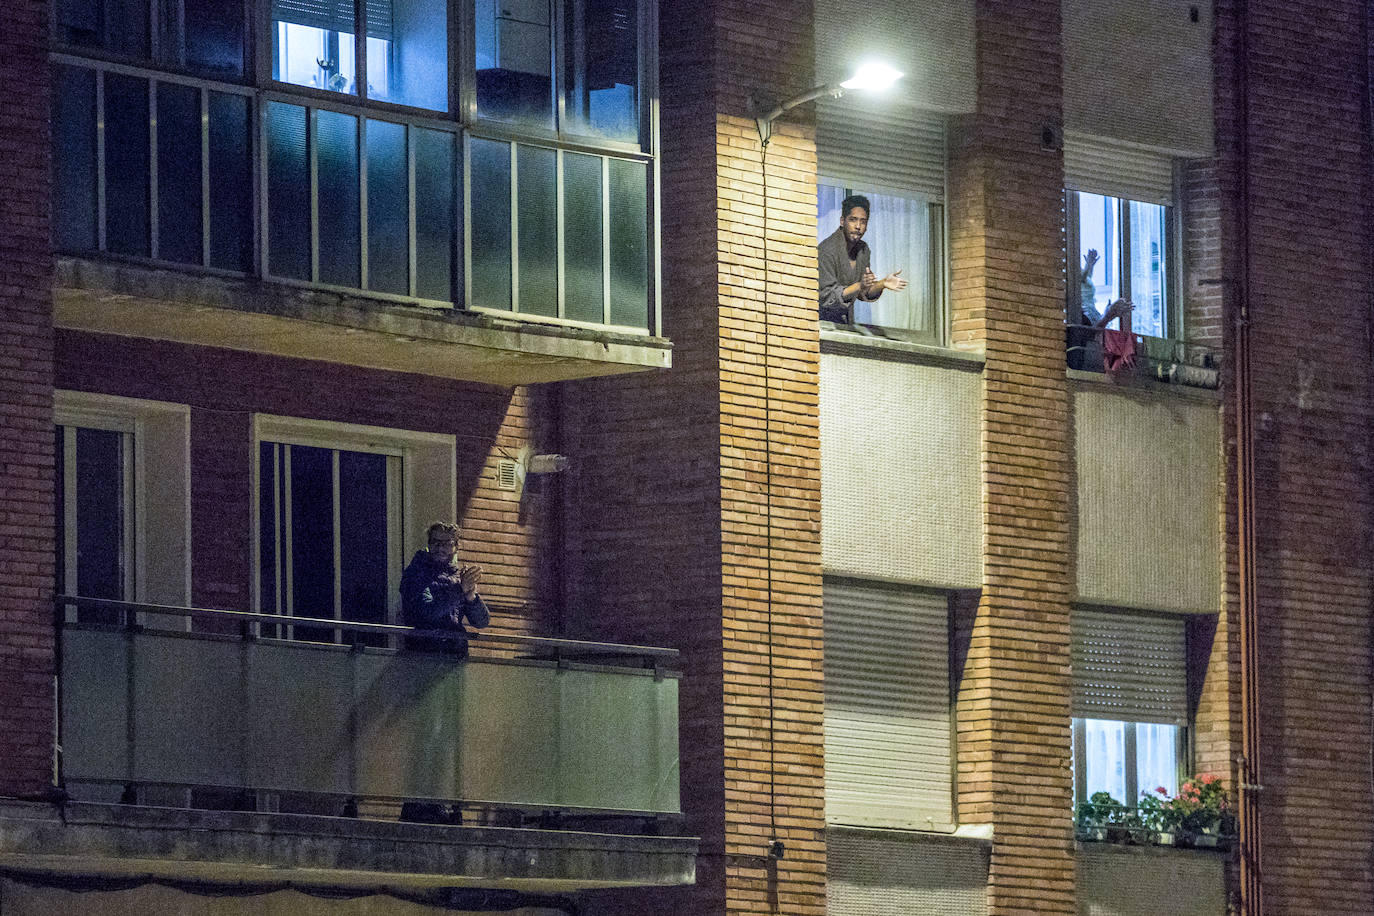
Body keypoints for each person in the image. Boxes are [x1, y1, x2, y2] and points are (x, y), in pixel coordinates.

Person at [399, 521, 490, 659]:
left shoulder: (458, 578)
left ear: (456, 547)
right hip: (423, 656)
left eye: (447, 543)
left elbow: (481, 622)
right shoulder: (416, 573)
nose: (440, 548)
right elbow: (426, 613)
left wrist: (471, 597)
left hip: (455, 657)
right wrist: (460, 590)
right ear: (429, 545)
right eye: (435, 542)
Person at [817, 194, 908, 323]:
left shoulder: (863, 250)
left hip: (844, 323)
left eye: (863, 221)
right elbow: (827, 297)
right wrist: (860, 285)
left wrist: (883, 283)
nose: (858, 226)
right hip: (819, 323)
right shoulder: (827, 250)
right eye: (853, 220)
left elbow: (863, 292)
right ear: (842, 221)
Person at [1070, 248, 1133, 370]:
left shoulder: (1082, 280)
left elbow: (1085, 277)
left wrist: (1089, 265)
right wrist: (1108, 315)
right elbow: (1089, 333)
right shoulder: (1079, 314)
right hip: (1085, 362)